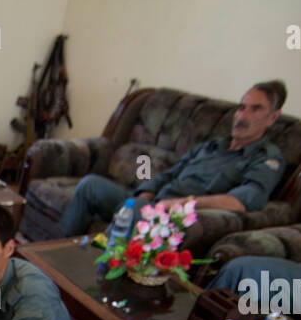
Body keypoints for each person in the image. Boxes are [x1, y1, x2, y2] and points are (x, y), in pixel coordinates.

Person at [59, 82, 288, 237]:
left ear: (273, 118)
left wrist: (180, 203)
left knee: (135, 209)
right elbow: (170, 174)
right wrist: (146, 192)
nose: (242, 116)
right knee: (90, 185)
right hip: (153, 203)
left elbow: (238, 203)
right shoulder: (211, 146)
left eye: (255, 109)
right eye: (241, 108)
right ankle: (56, 259)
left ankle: (94, 277)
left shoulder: (266, 159)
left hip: (177, 218)